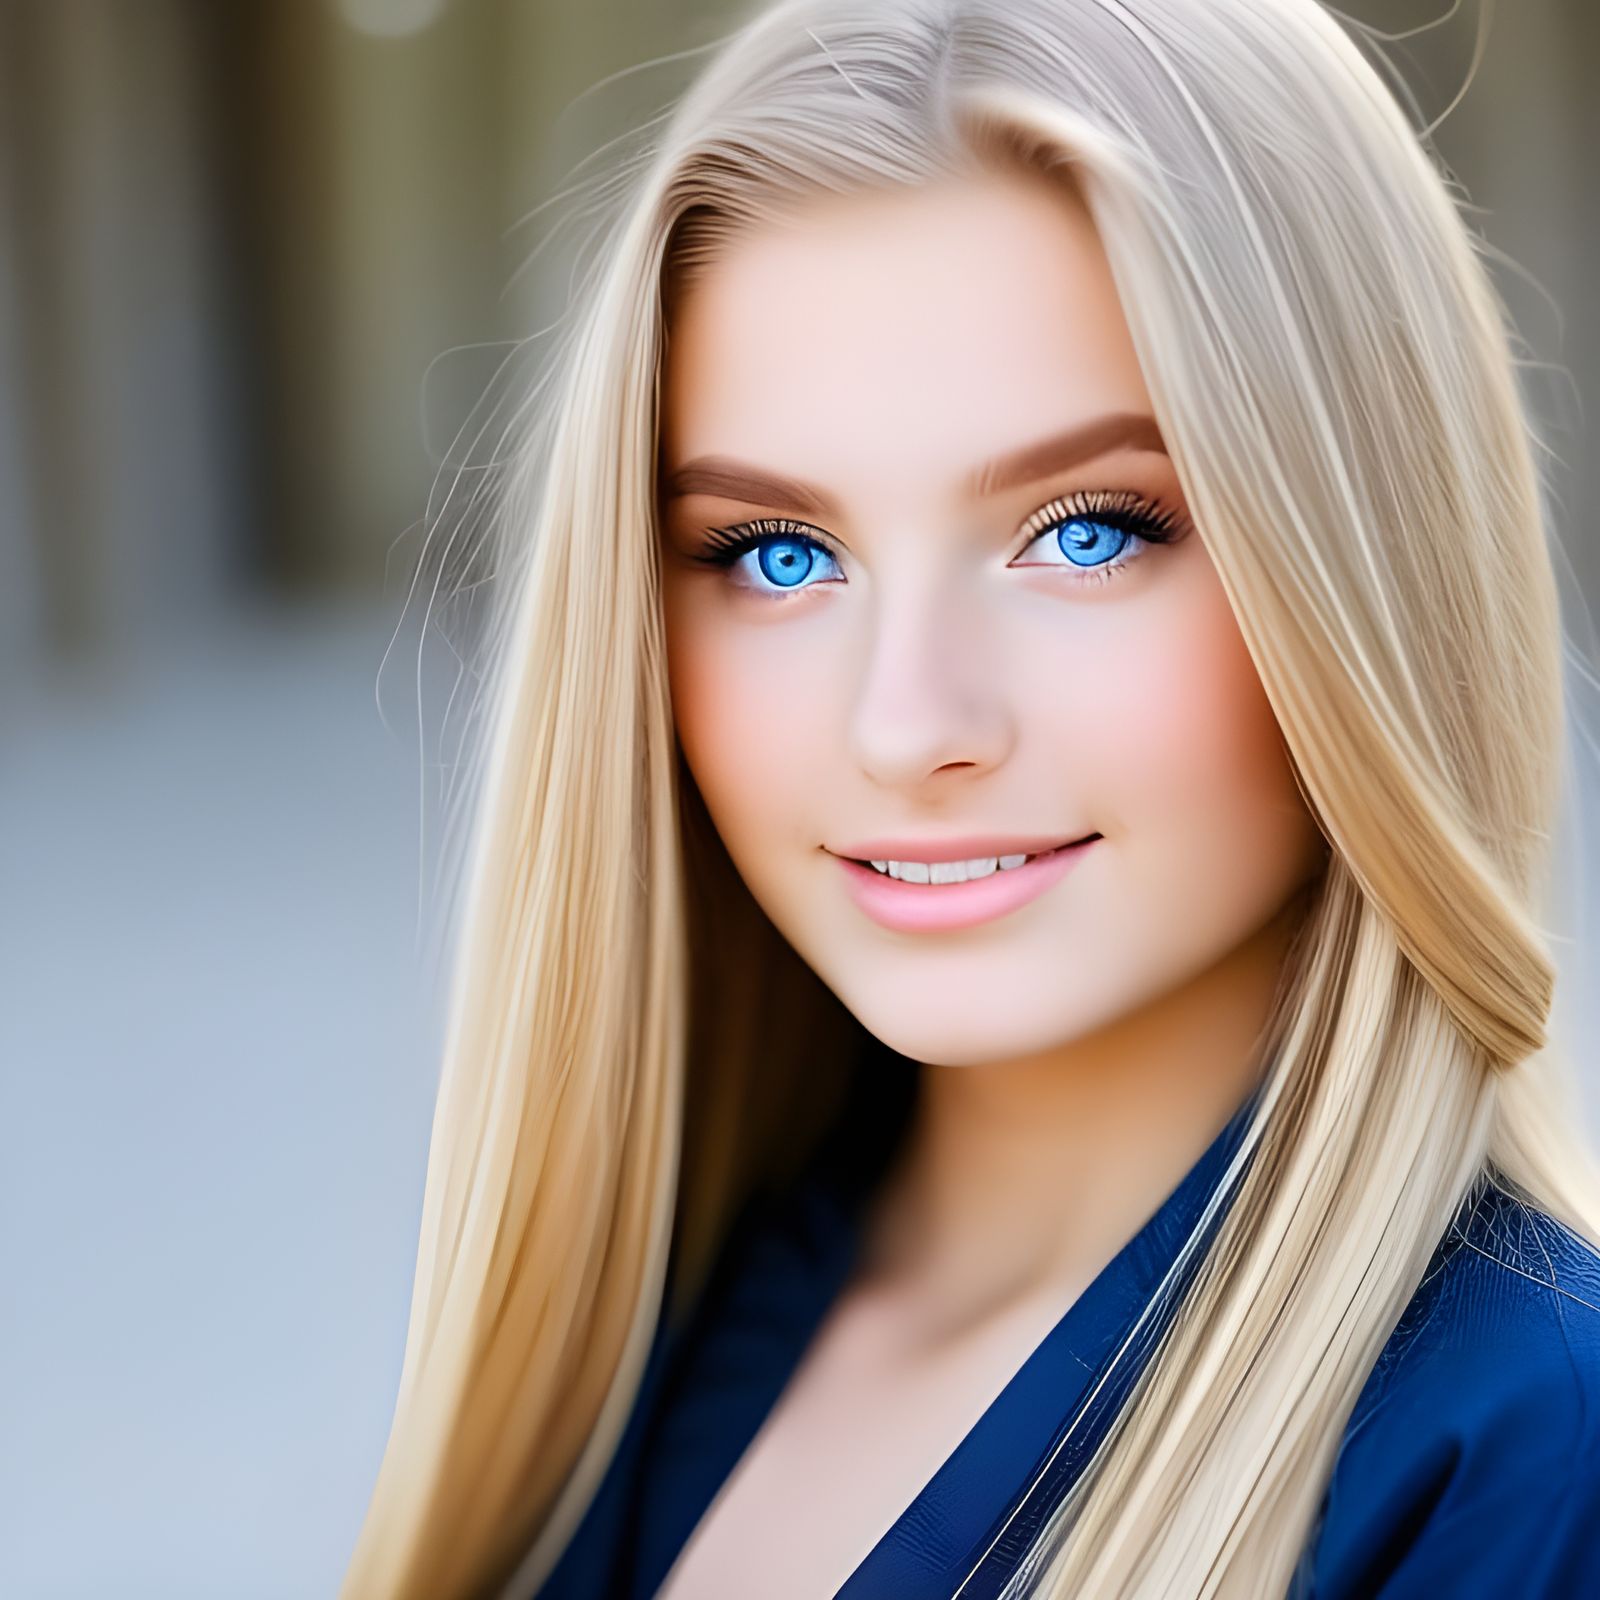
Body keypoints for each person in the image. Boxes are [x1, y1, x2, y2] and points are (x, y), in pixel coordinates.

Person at [338, 2, 1600, 1596]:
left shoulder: (1530, 1460)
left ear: (1370, 565)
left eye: (1086, 531)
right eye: (776, 555)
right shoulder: (662, 1316)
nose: (905, 724)